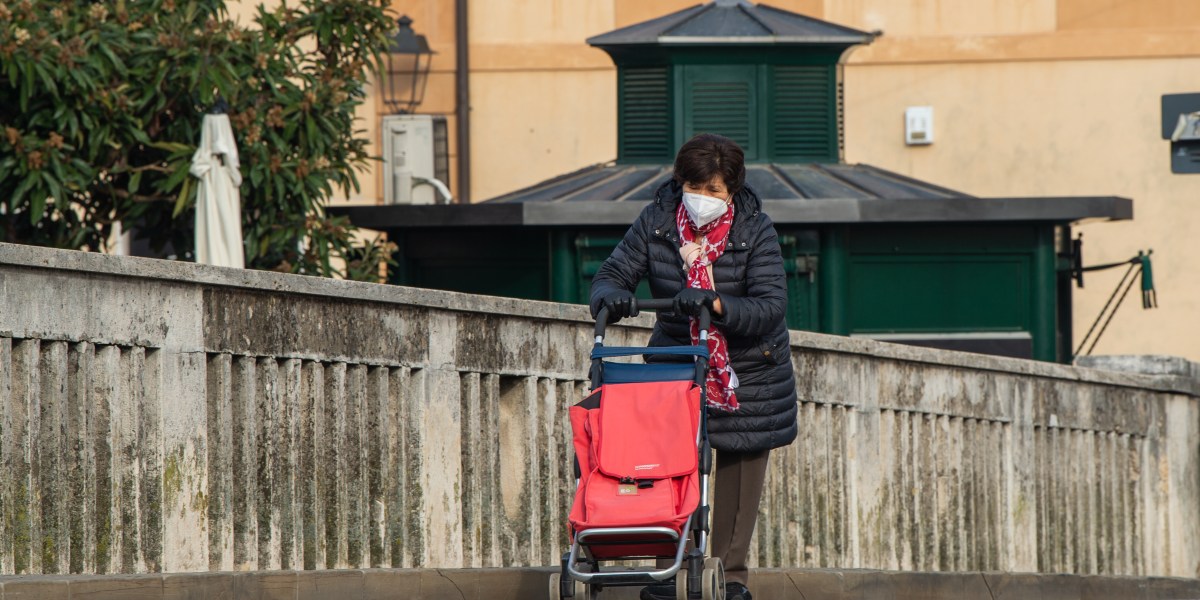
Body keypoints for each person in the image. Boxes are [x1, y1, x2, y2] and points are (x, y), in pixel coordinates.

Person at [589, 133, 798, 600]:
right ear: (680, 182)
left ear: (733, 192)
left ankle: (730, 577)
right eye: (695, 187)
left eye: (715, 190)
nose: (703, 199)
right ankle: (671, 572)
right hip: (678, 362)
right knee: (671, 469)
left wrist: (717, 304)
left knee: (739, 477)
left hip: (749, 373)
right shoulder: (656, 221)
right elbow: (612, 274)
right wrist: (610, 297)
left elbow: (770, 307)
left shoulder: (755, 229)